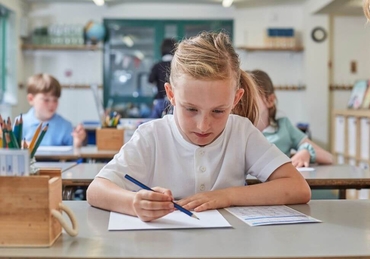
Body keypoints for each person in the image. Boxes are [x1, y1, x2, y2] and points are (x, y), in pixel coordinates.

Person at [87, 32, 311, 222]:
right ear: (171, 95)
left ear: (235, 99)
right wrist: (133, 202)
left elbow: (298, 187)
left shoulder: (242, 132)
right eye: (191, 109)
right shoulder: (151, 136)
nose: (203, 125)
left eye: (218, 111)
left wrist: (227, 196)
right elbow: (96, 190)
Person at [249, 69, 333, 168]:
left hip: (279, 182)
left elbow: (329, 157)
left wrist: (306, 153)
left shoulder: (283, 127)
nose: (242, 103)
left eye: (250, 97)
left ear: (270, 100)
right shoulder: (237, 127)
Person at [22, 73, 86, 147]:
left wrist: (78, 141)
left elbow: (74, 155)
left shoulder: (65, 126)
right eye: (46, 100)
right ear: (31, 99)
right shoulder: (21, 124)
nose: (52, 104)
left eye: (55, 100)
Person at [148, 38, 177, 118]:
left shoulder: (157, 66)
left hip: (160, 100)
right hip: (176, 102)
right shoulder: (179, 66)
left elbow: (150, 80)